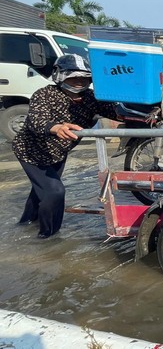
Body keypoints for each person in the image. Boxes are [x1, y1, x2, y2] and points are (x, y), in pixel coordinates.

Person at [12, 54, 119, 239]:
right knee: (55, 191)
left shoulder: (90, 98)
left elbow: (115, 111)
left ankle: (25, 223)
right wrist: (55, 127)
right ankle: (48, 236)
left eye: (84, 78)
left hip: (58, 153)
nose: (79, 82)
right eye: (73, 77)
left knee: (41, 192)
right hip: (31, 152)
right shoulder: (45, 94)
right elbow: (35, 120)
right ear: (60, 75)